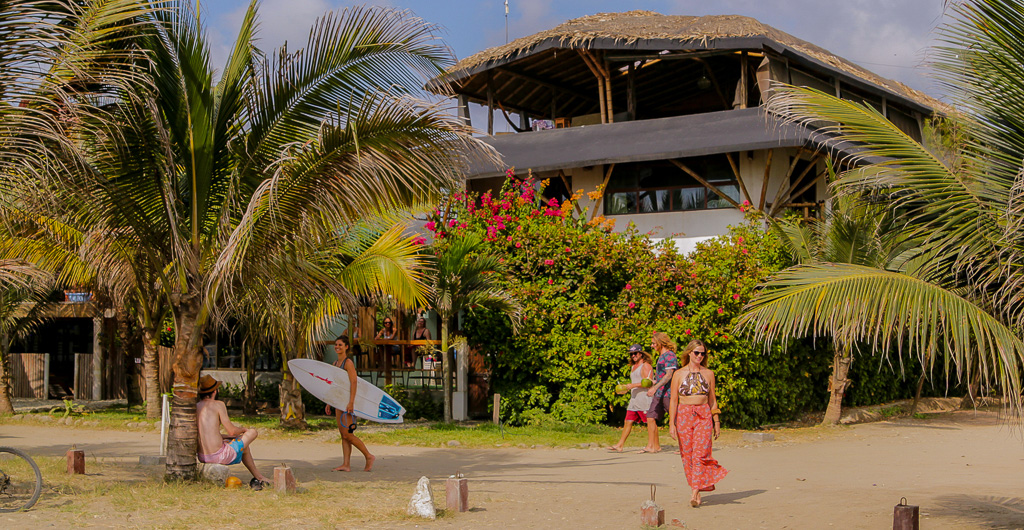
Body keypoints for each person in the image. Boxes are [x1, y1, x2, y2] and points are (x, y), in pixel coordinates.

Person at [669, 339, 728, 507]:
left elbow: (712, 400)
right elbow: (673, 400)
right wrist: (671, 424)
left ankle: (695, 491)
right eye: (697, 353)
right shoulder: (678, 374)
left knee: (700, 454)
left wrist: (716, 420)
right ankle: (695, 486)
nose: (700, 356)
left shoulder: (709, 373)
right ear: (689, 353)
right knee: (687, 455)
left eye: (703, 353)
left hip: (703, 415)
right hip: (684, 415)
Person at [196, 374, 271, 489]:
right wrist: (244, 430)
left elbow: (208, 434)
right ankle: (259, 478)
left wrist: (228, 437)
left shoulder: (196, 406)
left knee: (244, 447)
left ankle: (259, 477)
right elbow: (232, 431)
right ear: (215, 391)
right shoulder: (218, 404)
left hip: (202, 456)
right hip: (219, 456)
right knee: (252, 432)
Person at [325, 335, 375, 472]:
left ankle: (368, 456)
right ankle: (346, 464)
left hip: (347, 402)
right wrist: (329, 402)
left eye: (340, 345)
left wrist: (351, 402)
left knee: (348, 434)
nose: (337, 347)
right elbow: (334, 385)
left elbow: (354, 382)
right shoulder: (335, 364)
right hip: (338, 401)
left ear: (346, 347)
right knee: (343, 434)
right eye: (336, 344)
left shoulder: (348, 363)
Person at [609, 344, 653, 452]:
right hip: (634, 399)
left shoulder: (645, 366)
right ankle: (620, 445)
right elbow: (635, 382)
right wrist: (625, 389)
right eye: (631, 354)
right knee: (628, 421)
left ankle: (652, 445)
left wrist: (632, 386)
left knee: (650, 422)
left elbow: (648, 383)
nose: (633, 356)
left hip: (644, 399)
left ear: (641, 353)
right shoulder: (633, 367)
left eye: (635, 353)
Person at [643, 332, 679, 453]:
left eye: (653, 343)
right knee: (650, 417)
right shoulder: (661, 356)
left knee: (677, 420)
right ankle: (653, 446)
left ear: (660, 343)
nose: (652, 346)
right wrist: (653, 382)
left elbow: (669, 375)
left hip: (669, 394)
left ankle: (685, 446)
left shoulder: (669, 356)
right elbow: (663, 376)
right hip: (660, 394)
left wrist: (655, 387)